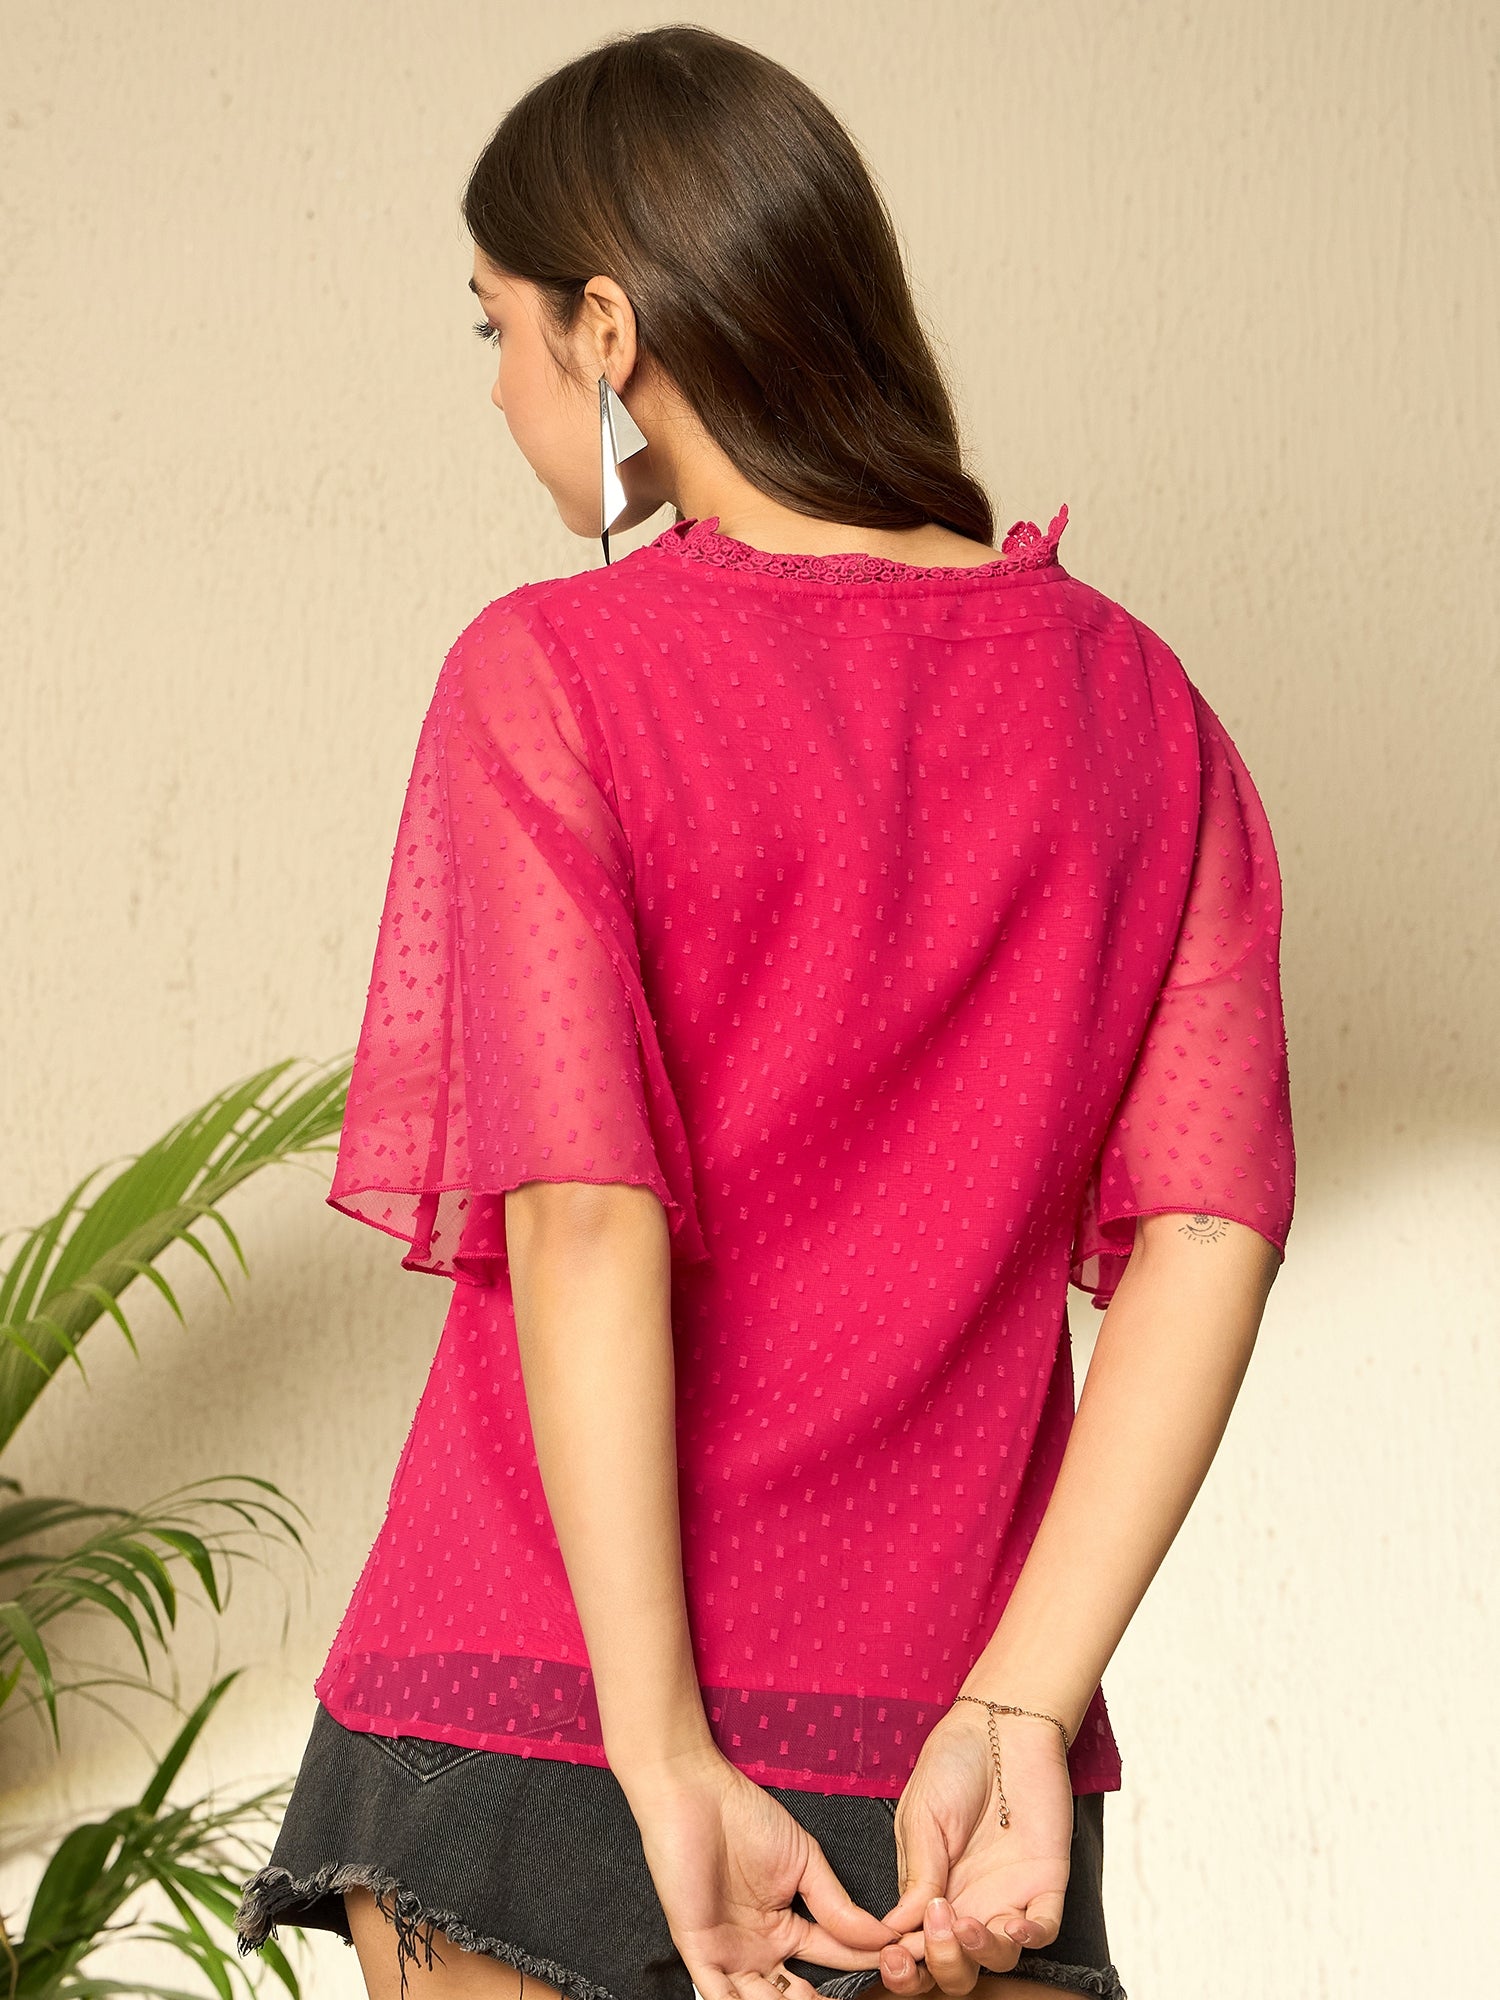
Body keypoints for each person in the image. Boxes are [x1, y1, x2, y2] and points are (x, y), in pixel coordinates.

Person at [233, 24, 1295, 2000]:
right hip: (947, 1770)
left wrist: (662, 1756)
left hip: (545, 1706)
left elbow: (583, 1209)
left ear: (608, 330)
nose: (499, 384)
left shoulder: (554, 674)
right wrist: (1024, 1704)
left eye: (497, 328)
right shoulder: (1140, 708)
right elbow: (1211, 1231)